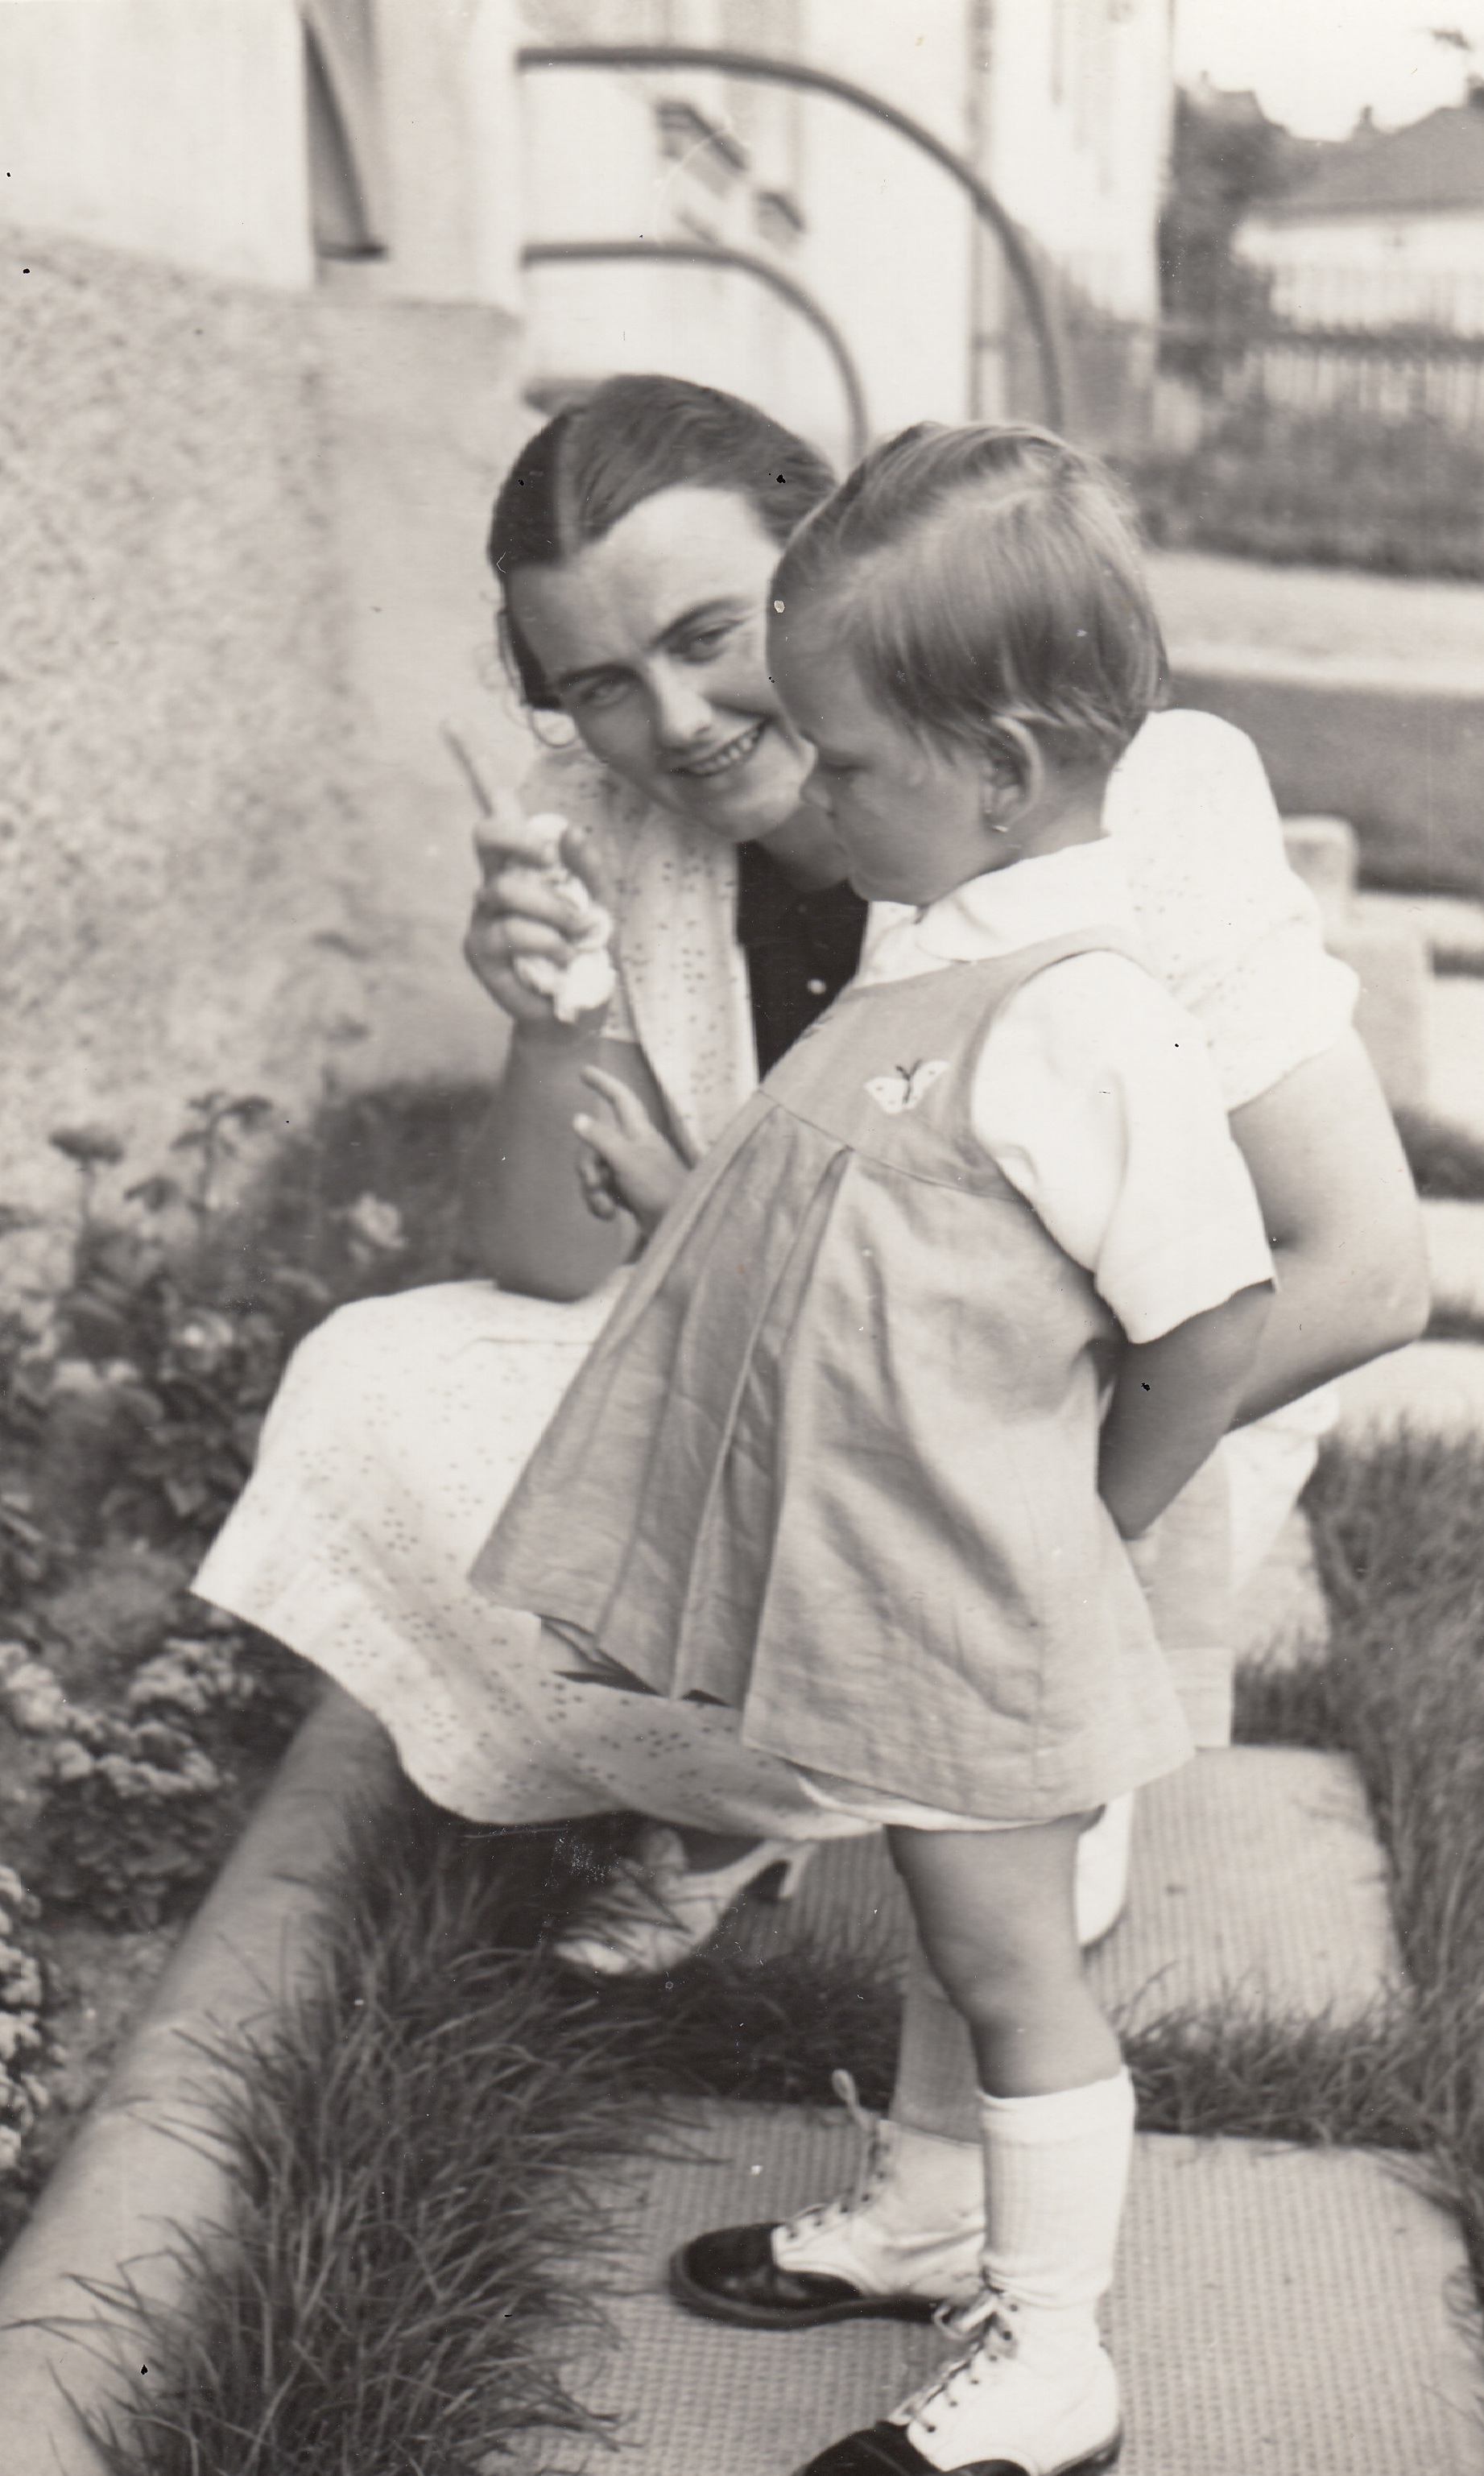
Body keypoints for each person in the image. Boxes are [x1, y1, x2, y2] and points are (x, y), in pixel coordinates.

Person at [192, 373, 1426, 2326]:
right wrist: (546, 1024)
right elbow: (558, 1267)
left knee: (1003, 1948)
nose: (678, 723)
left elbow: (1347, 1272)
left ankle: (1026, 2298)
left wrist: (1035, 1517)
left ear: (832, 573)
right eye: (597, 686)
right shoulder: (613, 830)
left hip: (1077, 1436)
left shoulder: (1107, 816)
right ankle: (775, 1808)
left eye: (712, 635)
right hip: (855, 1410)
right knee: (385, 1388)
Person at [473, 420, 1277, 2476]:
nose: (804, 796)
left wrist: (1080, 1538)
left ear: (994, 771)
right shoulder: (944, 950)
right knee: (950, 1939)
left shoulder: (1080, 1012)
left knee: (1013, 1969)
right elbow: (897, 1251)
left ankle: (1054, 2356)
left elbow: (1212, 1314)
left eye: (843, 765)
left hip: (991, 1590)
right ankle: (934, 2223)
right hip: (917, 1580)